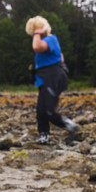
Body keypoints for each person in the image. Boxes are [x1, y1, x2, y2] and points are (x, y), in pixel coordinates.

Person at [25, 16, 78, 145]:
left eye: (35, 32)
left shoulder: (51, 39)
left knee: (48, 110)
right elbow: (60, 57)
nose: (34, 35)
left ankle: (70, 125)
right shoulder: (48, 42)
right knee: (40, 111)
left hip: (54, 78)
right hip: (45, 79)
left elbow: (37, 47)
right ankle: (44, 136)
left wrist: (38, 32)